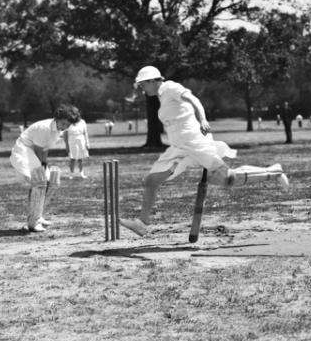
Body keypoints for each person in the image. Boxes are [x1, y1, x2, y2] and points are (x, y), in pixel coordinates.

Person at [119, 66, 289, 236]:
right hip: (179, 149)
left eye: (143, 85)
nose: (142, 89)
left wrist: (203, 119)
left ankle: (273, 171)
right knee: (150, 180)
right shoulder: (162, 96)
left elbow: (193, 100)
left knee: (228, 179)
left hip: (196, 144)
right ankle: (142, 223)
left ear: (152, 81)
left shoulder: (170, 87)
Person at [9, 104, 75, 231]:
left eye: (67, 125)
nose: (65, 127)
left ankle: (38, 215)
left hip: (33, 151)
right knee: (39, 181)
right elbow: (39, 149)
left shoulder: (57, 130)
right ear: (57, 118)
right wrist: (42, 166)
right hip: (23, 150)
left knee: (51, 181)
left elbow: (45, 149)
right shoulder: (45, 127)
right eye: (63, 123)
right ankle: (33, 222)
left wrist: (44, 164)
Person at [63, 106, 90, 179]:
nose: (73, 115)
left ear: (77, 114)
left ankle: (81, 173)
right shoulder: (68, 122)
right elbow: (65, 135)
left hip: (81, 140)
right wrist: (66, 145)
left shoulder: (82, 122)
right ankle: (71, 174)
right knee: (72, 158)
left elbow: (85, 133)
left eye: (74, 114)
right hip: (72, 141)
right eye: (71, 114)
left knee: (80, 158)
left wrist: (87, 143)